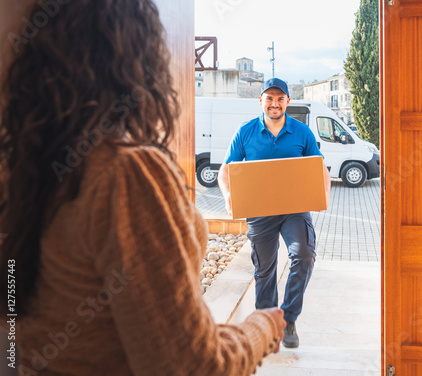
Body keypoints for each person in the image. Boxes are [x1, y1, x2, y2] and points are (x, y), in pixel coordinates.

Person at [0, 1, 286, 375]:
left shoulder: (23, 169)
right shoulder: (124, 174)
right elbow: (191, 366)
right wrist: (262, 327)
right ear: (137, 56)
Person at [218, 78, 331, 348]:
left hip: (295, 210)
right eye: (269, 98)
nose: (275, 103)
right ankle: (266, 322)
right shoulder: (245, 132)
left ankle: (287, 318)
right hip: (260, 211)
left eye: (280, 98)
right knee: (264, 270)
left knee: (304, 254)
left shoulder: (302, 132)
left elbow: (320, 169)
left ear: (288, 102)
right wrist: (228, 195)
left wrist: (324, 195)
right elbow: (225, 170)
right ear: (261, 101)